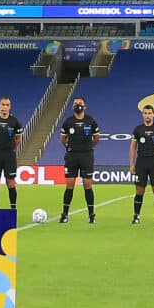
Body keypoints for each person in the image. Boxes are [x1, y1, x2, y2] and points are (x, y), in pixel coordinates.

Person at [57, 96, 101, 224]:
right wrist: (69, 147)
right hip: (72, 156)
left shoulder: (90, 121)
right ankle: (64, 214)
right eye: (76, 103)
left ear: (85, 106)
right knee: (69, 185)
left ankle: (91, 215)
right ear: (73, 106)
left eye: (80, 103)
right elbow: (63, 139)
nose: (78, 105)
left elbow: (96, 138)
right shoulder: (68, 122)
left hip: (86, 156)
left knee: (87, 185)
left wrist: (88, 148)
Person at [128, 102, 154, 225]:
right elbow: (133, 147)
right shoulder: (138, 129)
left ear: (153, 114)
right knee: (139, 191)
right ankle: (136, 216)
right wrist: (131, 164)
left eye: (150, 113)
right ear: (142, 115)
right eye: (145, 113)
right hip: (141, 162)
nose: (148, 115)